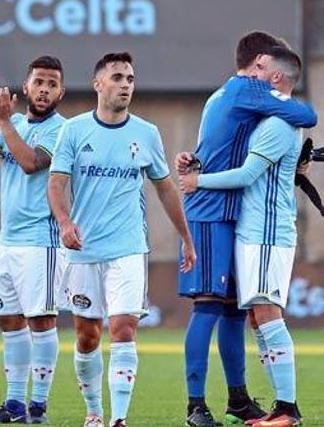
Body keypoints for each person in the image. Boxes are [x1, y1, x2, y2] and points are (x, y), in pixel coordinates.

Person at [174, 32, 317, 427]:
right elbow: (307, 116)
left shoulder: (226, 98)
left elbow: (241, 157)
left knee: (246, 313)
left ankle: (249, 402)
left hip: (242, 220)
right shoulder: (246, 94)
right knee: (210, 307)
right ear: (258, 65)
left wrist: (195, 165)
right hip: (211, 211)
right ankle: (197, 406)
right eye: (267, 64)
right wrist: (195, 175)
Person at [48, 52, 196, 427]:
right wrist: (65, 222)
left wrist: (186, 239)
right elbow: (56, 183)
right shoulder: (74, 130)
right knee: (86, 336)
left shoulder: (146, 133)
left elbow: (165, 190)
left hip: (128, 249)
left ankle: (119, 418)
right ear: (99, 84)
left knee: (124, 328)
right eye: (117, 77)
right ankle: (93, 411)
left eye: (130, 78)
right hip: (84, 252)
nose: (125, 84)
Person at [0, 55, 67, 424]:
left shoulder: (60, 130)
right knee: (9, 321)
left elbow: (29, 162)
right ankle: (14, 405)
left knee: (40, 320)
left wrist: (6, 122)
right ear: (26, 87)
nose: (44, 89)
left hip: (41, 240)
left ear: (61, 92)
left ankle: (38, 406)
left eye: (52, 83)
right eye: (38, 82)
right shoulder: (15, 124)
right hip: (7, 241)